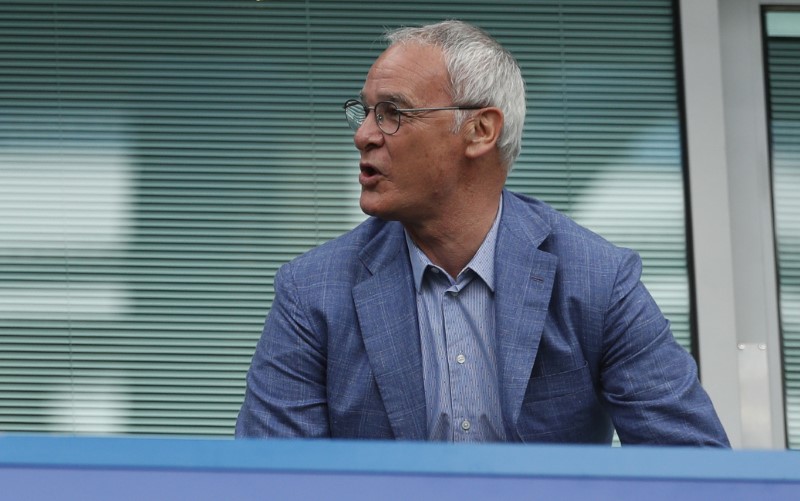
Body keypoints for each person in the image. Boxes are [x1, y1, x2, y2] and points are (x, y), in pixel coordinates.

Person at [236, 20, 729, 446]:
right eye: (364, 111)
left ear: (479, 131)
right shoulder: (312, 291)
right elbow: (270, 478)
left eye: (392, 113)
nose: (363, 134)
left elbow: (692, 464)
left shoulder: (598, 281)